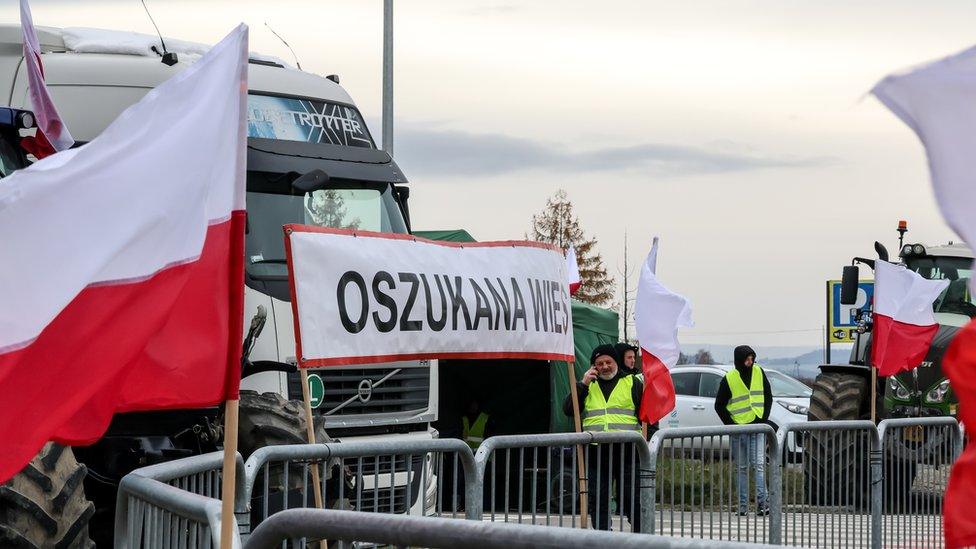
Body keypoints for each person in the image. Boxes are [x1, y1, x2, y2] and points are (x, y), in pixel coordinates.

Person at [563, 344, 643, 531]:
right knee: (598, 499)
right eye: (599, 363)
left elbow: (647, 417)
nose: (605, 366)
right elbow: (568, 409)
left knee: (631, 499)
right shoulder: (588, 385)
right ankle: (602, 538)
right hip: (596, 452)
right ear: (593, 366)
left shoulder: (632, 383)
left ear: (616, 362)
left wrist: (647, 444)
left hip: (628, 452)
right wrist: (582, 384)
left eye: (609, 362)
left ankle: (640, 537)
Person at [713, 345, 773, 516]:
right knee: (741, 468)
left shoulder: (759, 372)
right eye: (747, 359)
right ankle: (743, 506)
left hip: (757, 426)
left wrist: (763, 419)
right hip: (739, 430)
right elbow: (719, 405)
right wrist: (731, 424)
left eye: (752, 358)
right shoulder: (729, 378)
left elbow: (768, 397)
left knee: (759, 466)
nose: (750, 362)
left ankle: (763, 503)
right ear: (739, 360)